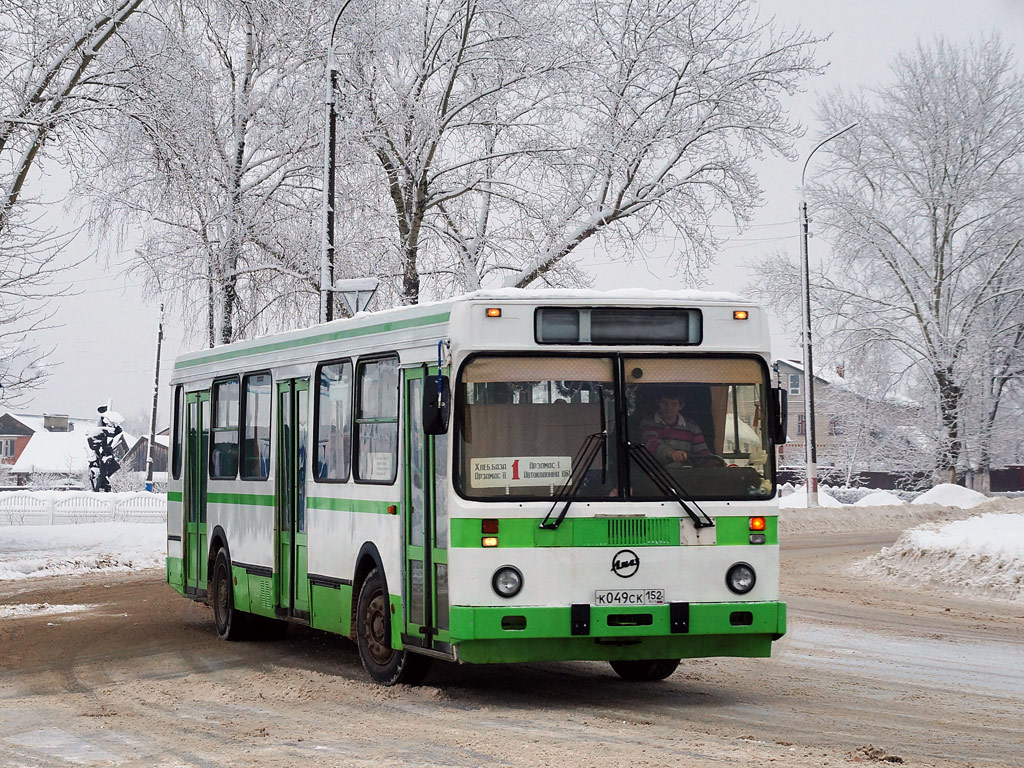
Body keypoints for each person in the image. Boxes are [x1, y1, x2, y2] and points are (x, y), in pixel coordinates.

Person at [640, 389, 709, 466]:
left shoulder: (692, 427)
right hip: (656, 474)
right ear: (658, 403)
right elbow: (650, 444)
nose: (668, 407)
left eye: (674, 404)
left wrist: (712, 462)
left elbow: (702, 453)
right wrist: (671, 453)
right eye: (664, 403)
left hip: (686, 475)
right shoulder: (648, 423)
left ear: (681, 406)